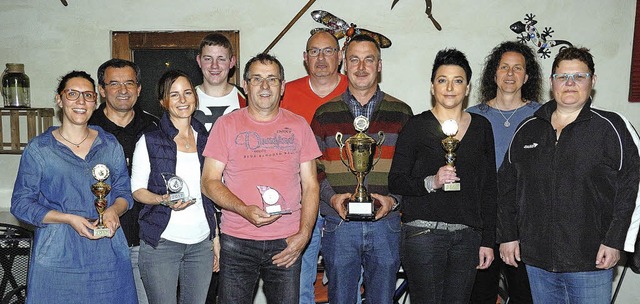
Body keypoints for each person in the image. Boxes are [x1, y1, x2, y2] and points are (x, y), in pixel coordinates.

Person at [497, 47, 640, 303]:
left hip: (592, 260)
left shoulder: (612, 127)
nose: (570, 84)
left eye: (579, 76)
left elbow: (633, 187)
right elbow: (506, 187)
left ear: (592, 81)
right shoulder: (528, 129)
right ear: (552, 82)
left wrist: (616, 241)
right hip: (537, 261)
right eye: (563, 77)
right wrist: (508, 235)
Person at [201, 53, 321, 304]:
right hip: (237, 242)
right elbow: (209, 181)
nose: (265, 86)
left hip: (287, 242)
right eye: (257, 79)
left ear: (282, 86)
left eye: (272, 79)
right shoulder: (226, 125)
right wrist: (243, 209)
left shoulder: (299, 126)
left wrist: (304, 234)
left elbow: (310, 185)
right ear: (245, 85)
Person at [11, 71, 137, 303]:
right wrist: (67, 218)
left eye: (88, 95)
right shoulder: (40, 149)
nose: (81, 101)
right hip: (58, 254)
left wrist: (112, 210)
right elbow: (20, 204)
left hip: (107, 252)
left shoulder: (109, 144)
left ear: (95, 102)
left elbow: (123, 193)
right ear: (60, 100)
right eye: (72, 94)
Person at [310, 34, 413, 304]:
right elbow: (313, 170)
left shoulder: (401, 112)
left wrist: (393, 200)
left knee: (382, 300)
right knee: (341, 299)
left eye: (369, 59)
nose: (361, 67)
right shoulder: (324, 114)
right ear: (344, 64)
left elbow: (411, 170)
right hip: (339, 223)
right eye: (354, 59)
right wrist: (331, 197)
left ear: (379, 65)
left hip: (387, 224)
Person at [388, 48, 497, 303]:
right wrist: (431, 182)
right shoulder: (415, 126)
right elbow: (396, 180)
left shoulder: (482, 127)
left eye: (457, 80)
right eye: (442, 80)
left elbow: (489, 188)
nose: (450, 87)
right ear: (432, 86)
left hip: (467, 237)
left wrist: (488, 240)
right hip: (423, 234)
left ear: (468, 88)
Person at [130, 70, 217, 304]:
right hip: (162, 242)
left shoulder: (206, 138)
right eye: (174, 94)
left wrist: (215, 238)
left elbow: (211, 190)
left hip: (201, 244)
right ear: (163, 101)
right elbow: (137, 191)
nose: (182, 100)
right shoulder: (149, 140)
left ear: (195, 98)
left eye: (187, 93)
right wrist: (163, 199)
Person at [466, 41, 543, 304]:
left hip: (526, 226)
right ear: (494, 73)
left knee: (526, 296)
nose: (510, 74)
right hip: (483, 224)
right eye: (504, 67)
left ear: (527, 76)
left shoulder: (542, 116)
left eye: (517, 68)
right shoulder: (472, 117)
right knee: (480, 296)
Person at [280, 30, 348, 304]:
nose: (321, 58)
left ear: (340, 56)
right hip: (299, 201)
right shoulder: (286, 92)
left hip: (342, 201)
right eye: (314, 51)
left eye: (329, 50)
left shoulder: (354, 89)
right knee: (298, 283)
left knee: (346, 281)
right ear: (305, 58)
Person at [89, 58, 158, 304]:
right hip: (100, 240)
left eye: (129, 83)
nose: (123, 90)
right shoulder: (87, 130)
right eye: (114, 83)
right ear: (101, 89)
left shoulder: (155, 127)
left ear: (139, 89)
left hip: (147, 241)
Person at [194, 32, 246, 131]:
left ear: (232, 62)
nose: (214, 65)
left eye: (221, 59)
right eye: (208, 59)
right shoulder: (185, 99)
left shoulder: (247, 99)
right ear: (199, 61)